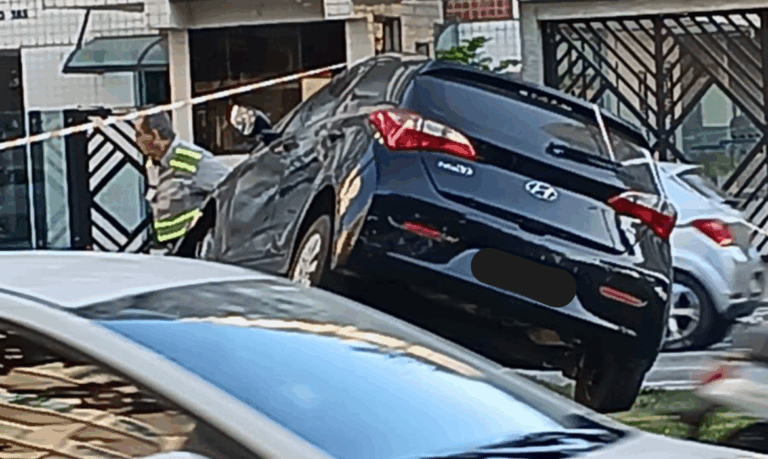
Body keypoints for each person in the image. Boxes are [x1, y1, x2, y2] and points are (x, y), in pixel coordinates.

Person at [134, 110, 232, 251]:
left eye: (139, 134)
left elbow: (229, 187)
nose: (135, 140)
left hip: (194, 246)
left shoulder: (188, 159)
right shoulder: (153, 163)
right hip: (169, 246)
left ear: (155, 135)